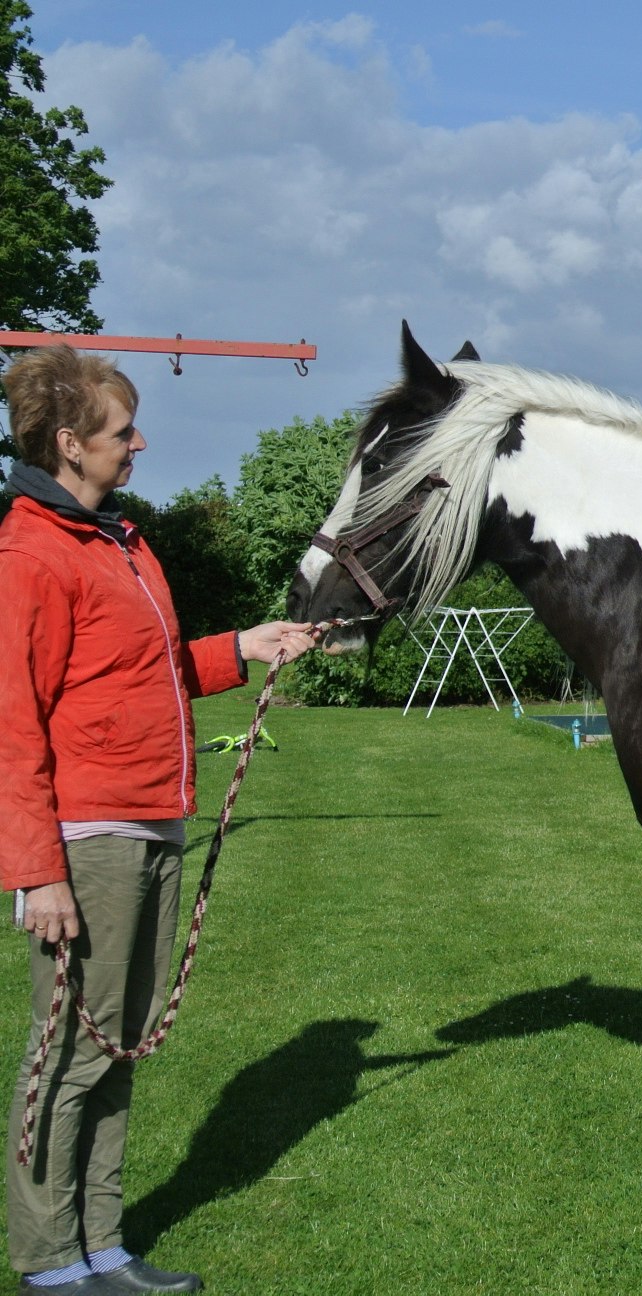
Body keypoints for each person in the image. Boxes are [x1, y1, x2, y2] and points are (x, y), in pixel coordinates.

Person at [0, 347, 322, 1295]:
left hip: (152, 823)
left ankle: (103, 1245)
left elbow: (136, 675)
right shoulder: (29, 553)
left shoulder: (121, 542)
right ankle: (50, 1259)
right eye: (121, 432)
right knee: (69, 1052)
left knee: (121, 1039)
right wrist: (38, 872)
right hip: (87, 839)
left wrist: (239, 648)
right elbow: (13, 726)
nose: (138, 444)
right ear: (70, 444)